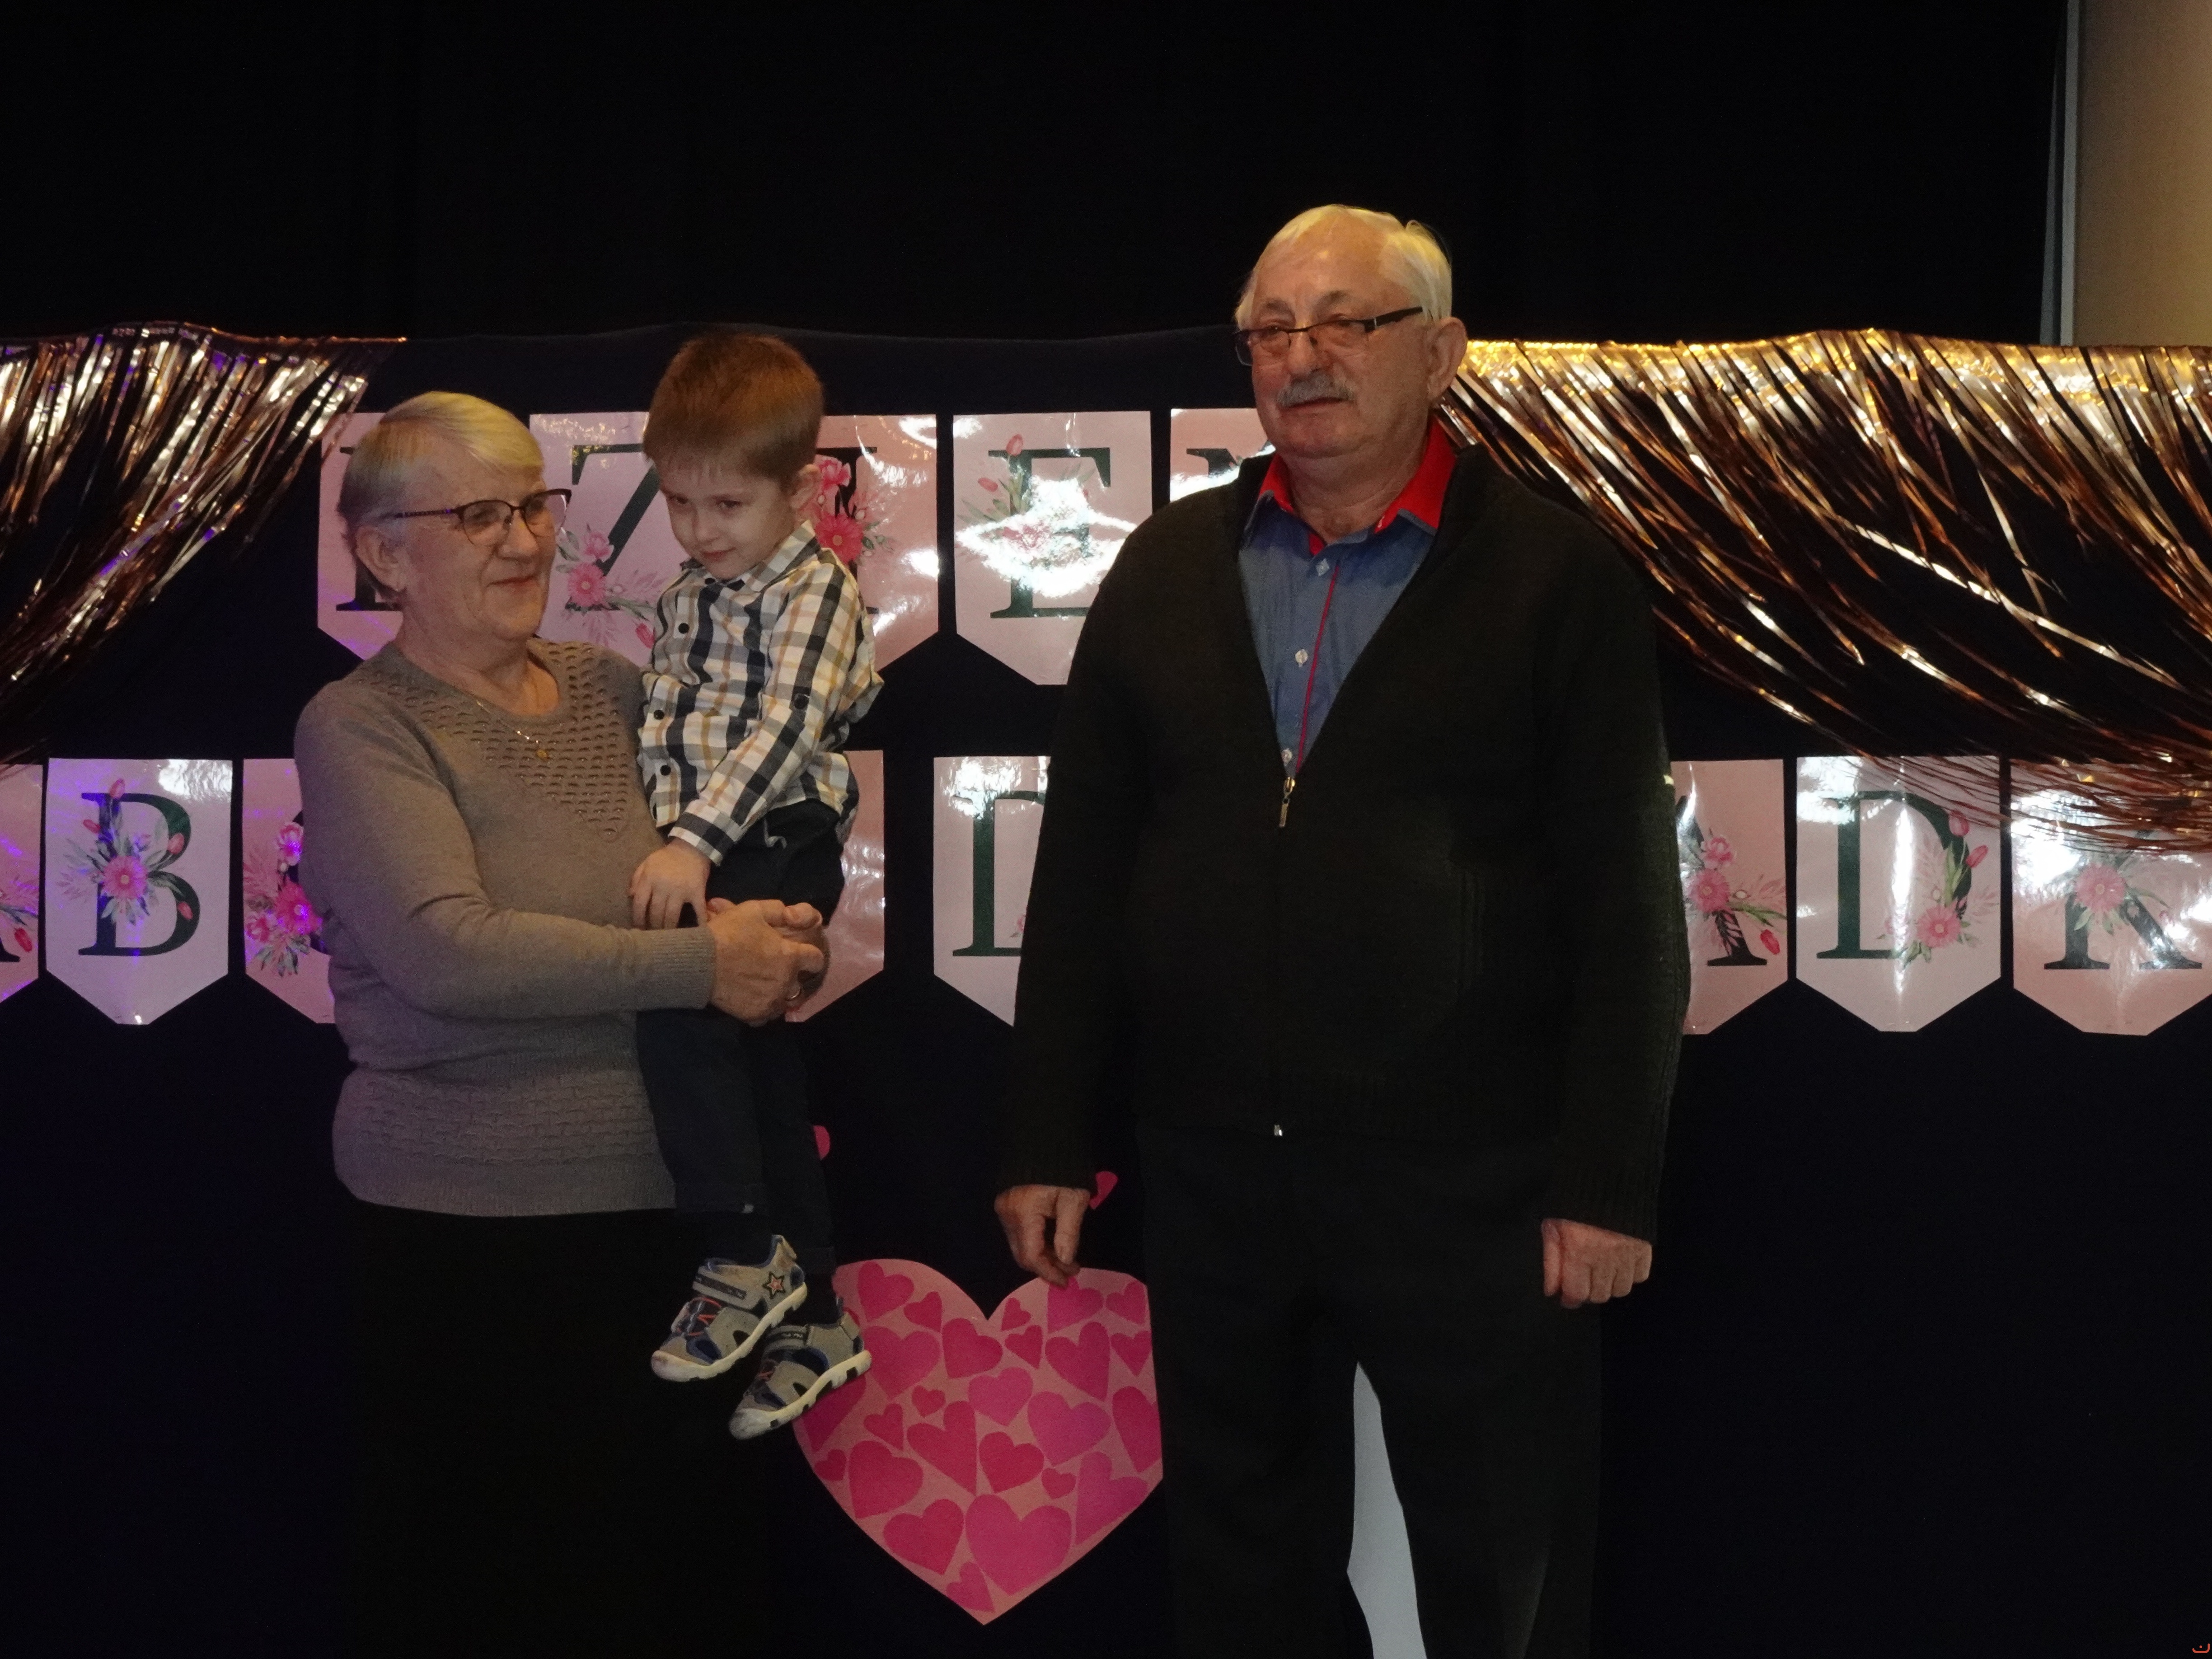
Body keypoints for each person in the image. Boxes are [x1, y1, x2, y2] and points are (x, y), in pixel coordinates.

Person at [994, 206, 1690, 1659]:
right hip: (1216, 1171)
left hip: (1475, 1183)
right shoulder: (1165, 568)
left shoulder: (1554, 577)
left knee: (1503, 1567)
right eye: (1271, 329)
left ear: (1440, 353)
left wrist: (1608, 1180)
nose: (1302, 358)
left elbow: (1627, 901)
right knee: (1239, 1569)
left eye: (1344, 323)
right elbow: (1083, 870)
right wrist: (1049, 1130)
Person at [295, 391, 828, 1648]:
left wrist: (774, 939)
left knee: (680, 1595)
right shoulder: (361, 725)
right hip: (473, 1251)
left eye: (533, 506)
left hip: (684, 1237)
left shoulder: (618, 689)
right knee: (511, 1596)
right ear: (381, 555)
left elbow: (723, 880)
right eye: (478, 516)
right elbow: (448, 954)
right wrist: (706, 966)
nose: (524, 541)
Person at [628, 332, 881, 1437]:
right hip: (711, 838)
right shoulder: (692, 592)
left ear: (801, 489)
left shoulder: (815, 590)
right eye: (678, 502)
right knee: (760, 1073)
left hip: (769, 834)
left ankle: (740, 1252)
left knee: (683, 1015)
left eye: (726, 504)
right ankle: (815, 1310)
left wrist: (692, 844)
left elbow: (784, 731)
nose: (698, 528)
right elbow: (668, 728)